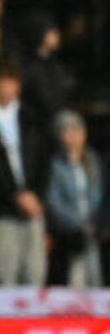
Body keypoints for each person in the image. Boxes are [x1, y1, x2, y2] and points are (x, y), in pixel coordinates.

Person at [0, 61, 48, 286]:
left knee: (35, 272)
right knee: (5, 272)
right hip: (1, 209)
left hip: (33, 207)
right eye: (3, 82)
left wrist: (35, 194)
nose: (9, 88)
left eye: (13, 82)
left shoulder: (29, 117)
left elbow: (42, 161)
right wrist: (14, 195)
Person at [44, 110, 103, 288]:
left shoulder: (91, 159)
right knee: (73, 278)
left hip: (91, 229)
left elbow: (96, 193)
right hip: (67, 231)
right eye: (66, 131)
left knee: (94, 275)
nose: (72, 136)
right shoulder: (54, 164)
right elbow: (53, 200)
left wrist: (92, 222)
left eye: (76, 130)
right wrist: (76, 223)